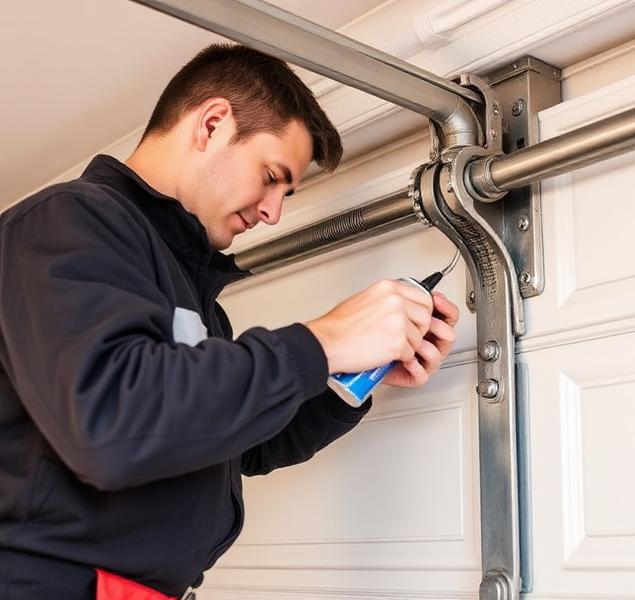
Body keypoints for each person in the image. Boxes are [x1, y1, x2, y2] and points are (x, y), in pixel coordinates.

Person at [0, 43, 459, 600]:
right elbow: (111, 422)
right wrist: (326, 339)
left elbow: (242, 446)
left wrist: (350, 376)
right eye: (271, 176)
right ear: (213, 124)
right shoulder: (67, 221)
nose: (273, 211)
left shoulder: (191, 292)